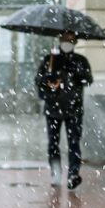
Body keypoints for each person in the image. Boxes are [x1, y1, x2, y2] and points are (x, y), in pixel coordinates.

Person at [35, 31, 93, 189]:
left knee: (74, 142)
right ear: (59, 40)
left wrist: (76, 72)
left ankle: (74, 173)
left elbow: (88, 80)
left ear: (75, 42)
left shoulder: (80, 60)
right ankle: (55, 170)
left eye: (70, 40)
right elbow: (39, 80)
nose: (67, 42)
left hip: (73, 109)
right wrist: (49, 77)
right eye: (64, 39)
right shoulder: (50, 59)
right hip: (53, 108)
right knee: (53, 142)